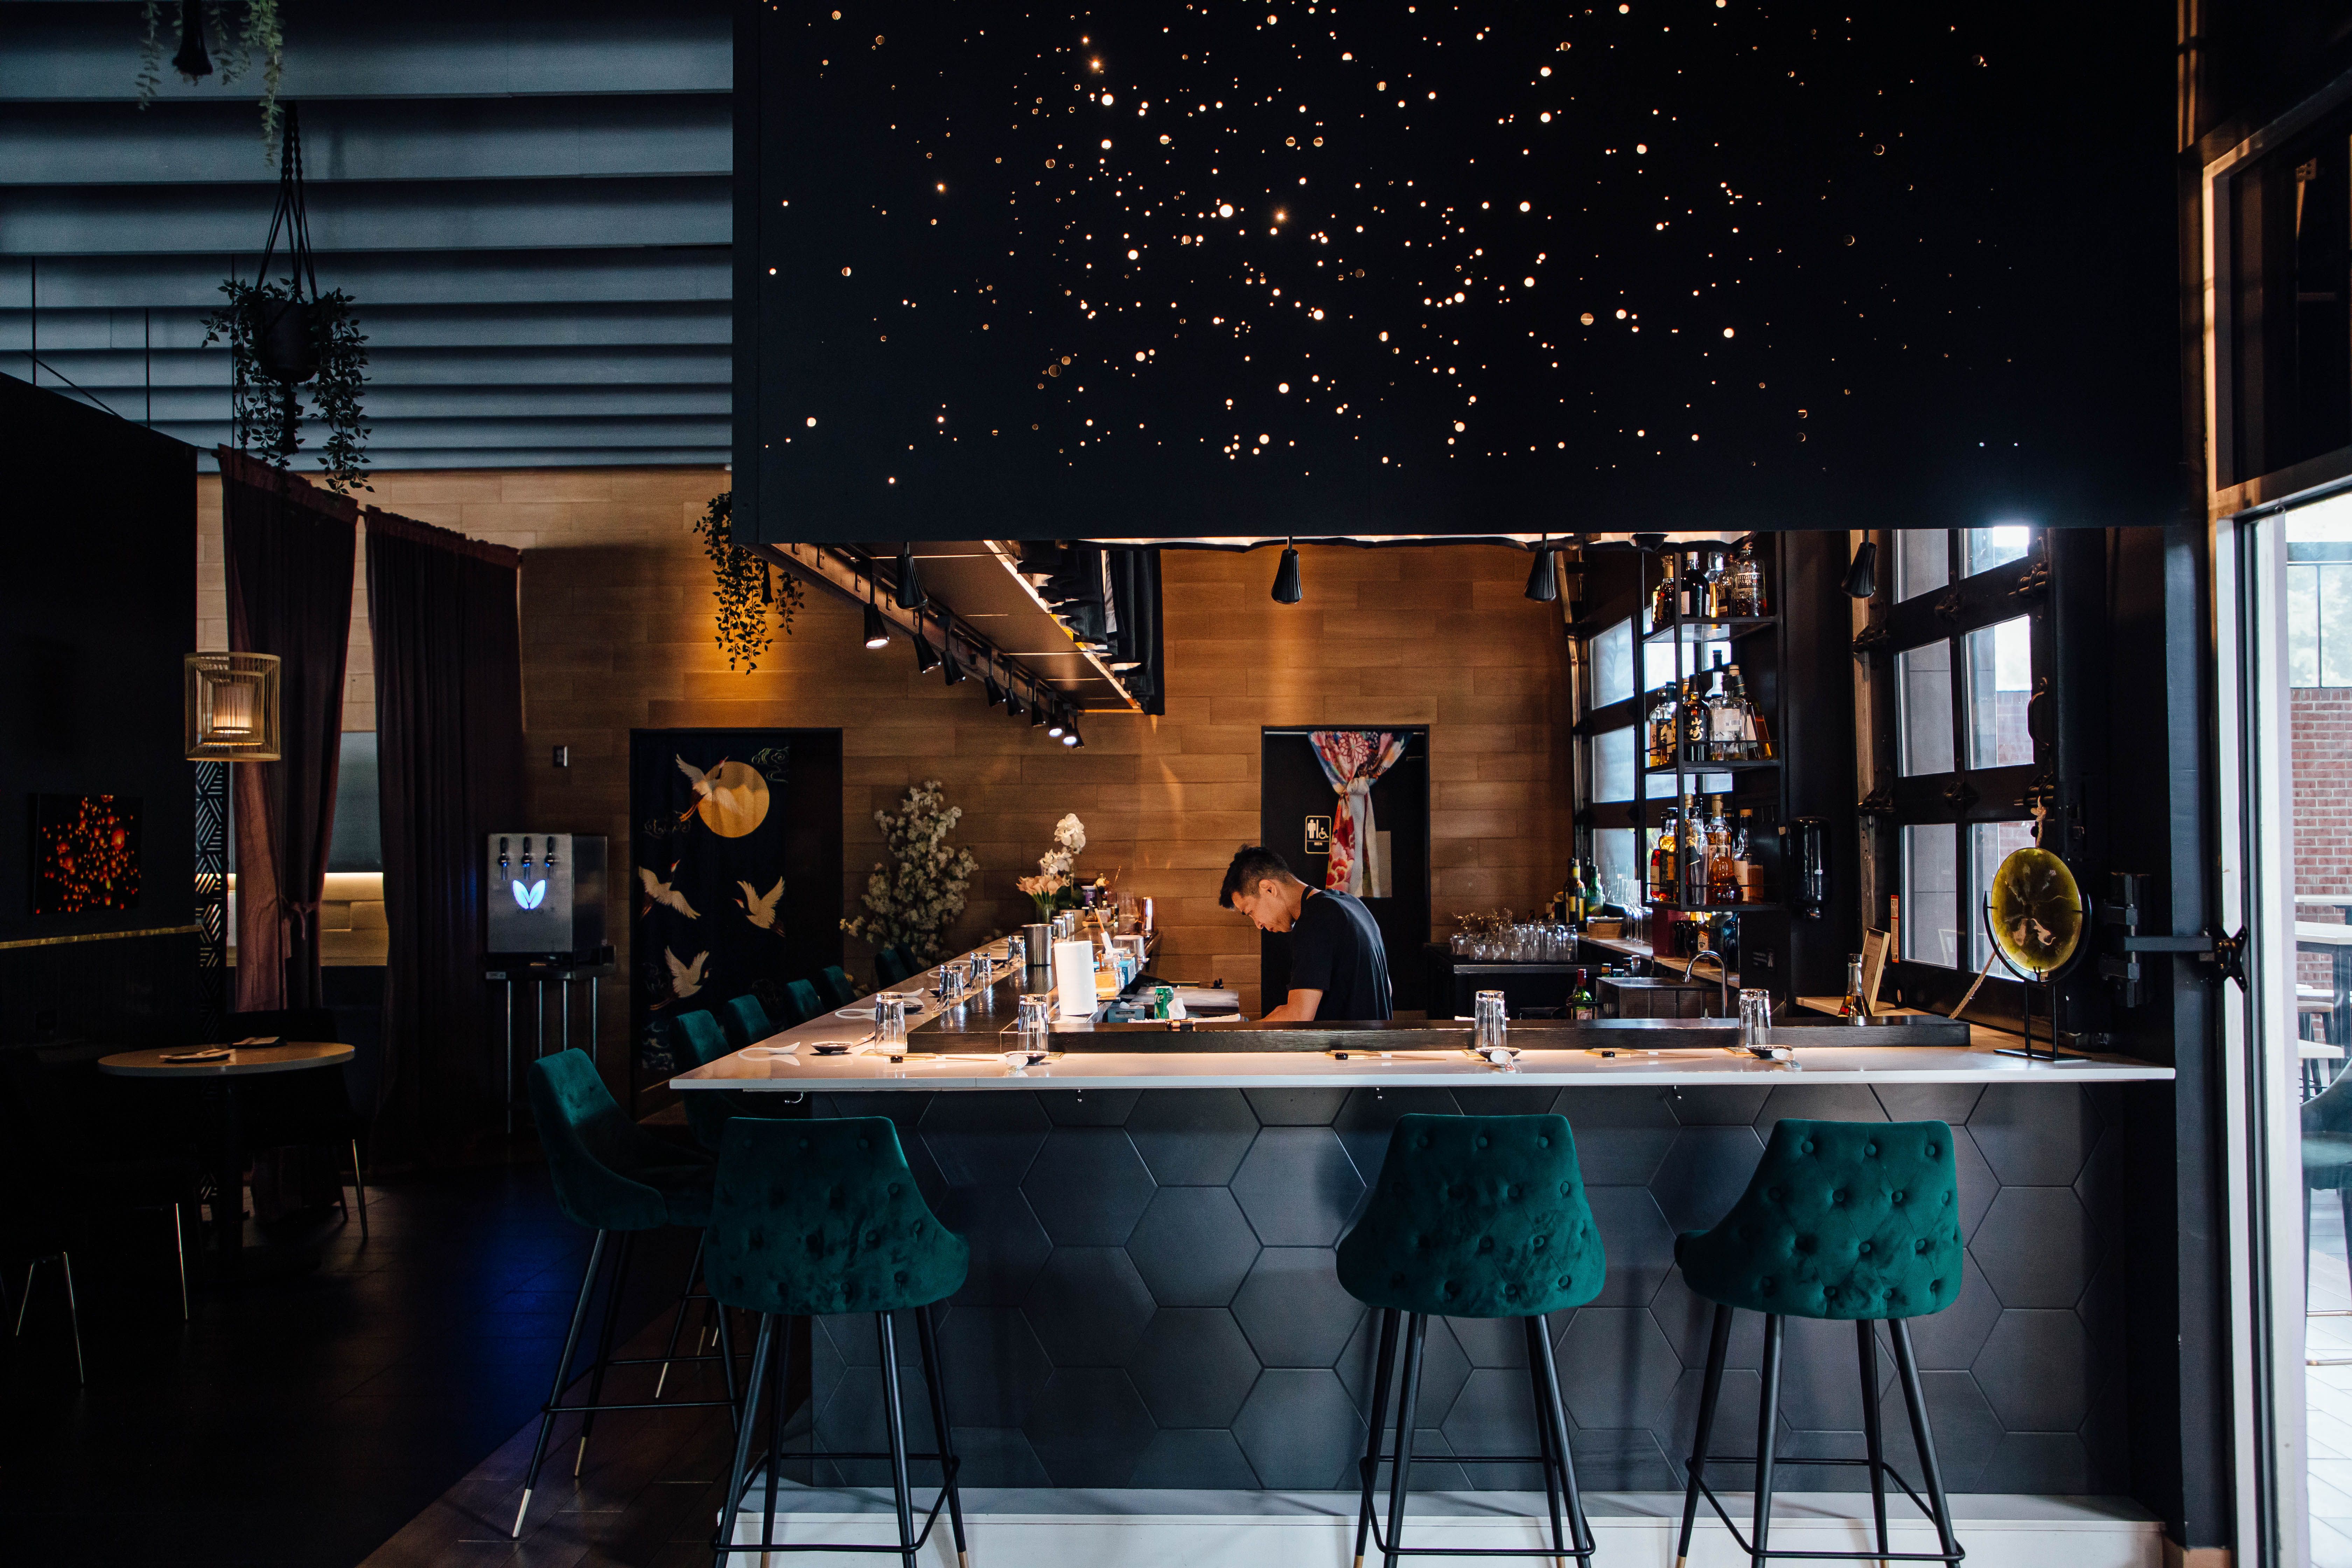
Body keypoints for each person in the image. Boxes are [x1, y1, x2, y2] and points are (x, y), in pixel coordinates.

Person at [1218, 844, 1393, 1022]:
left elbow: (1299, 1016)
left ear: (1269, 888)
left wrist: (1244, 1033)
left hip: (1351, 1041)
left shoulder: (1315, 920)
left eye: (1251, 912)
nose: (1258, 925)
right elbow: (1386, 988)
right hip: (1377, 1038)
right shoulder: (1352, 905)